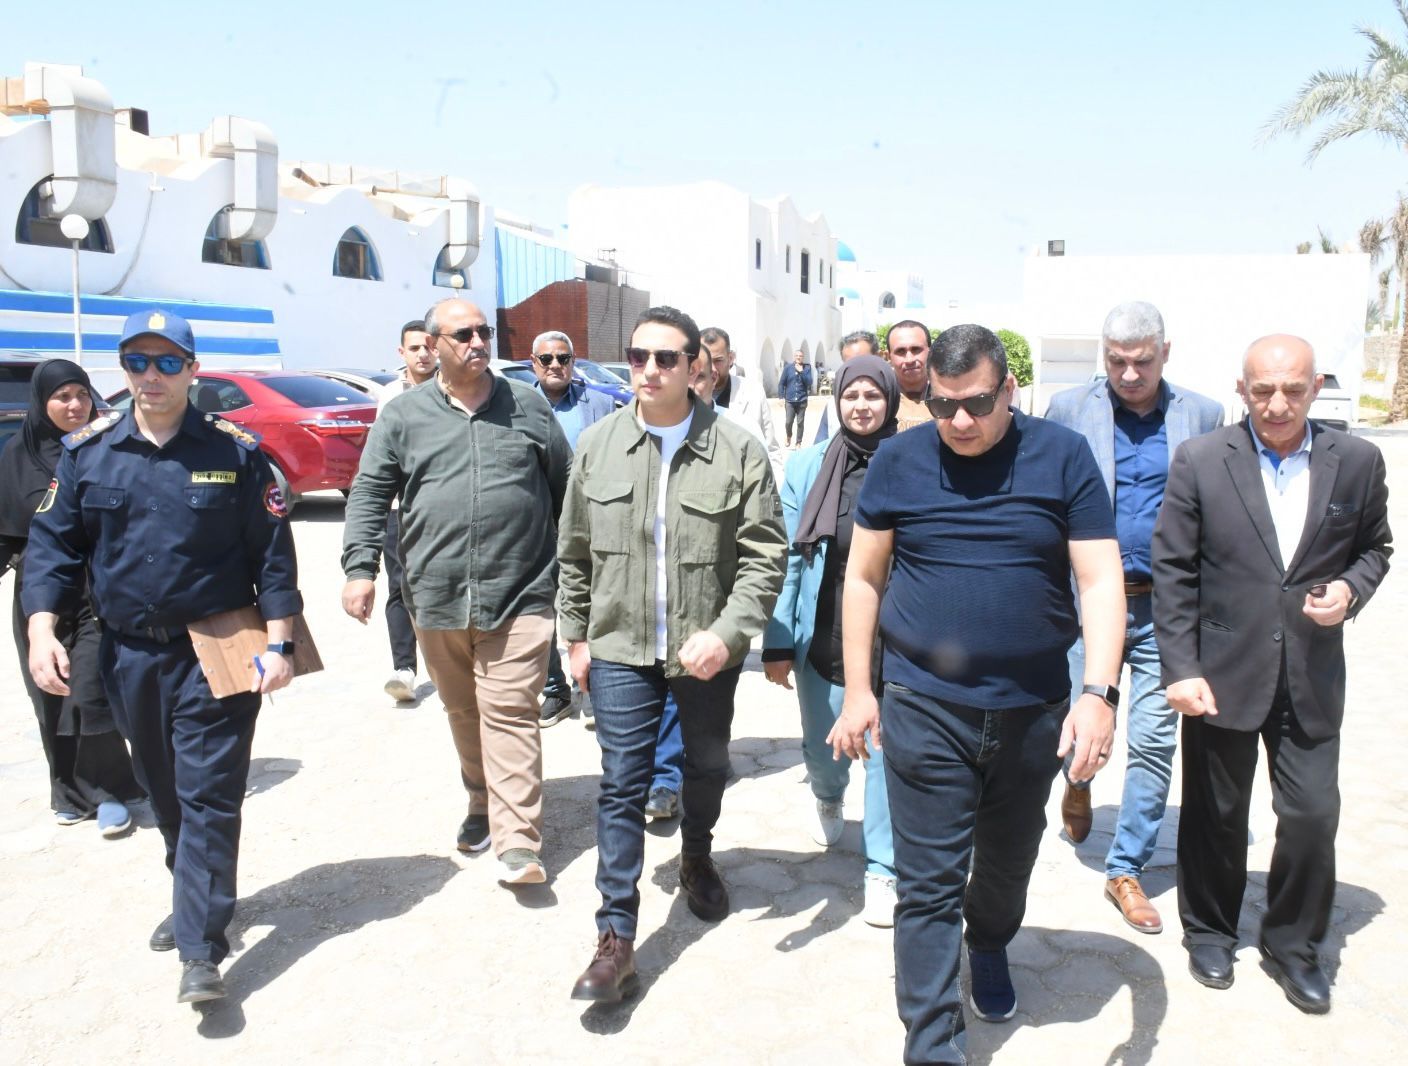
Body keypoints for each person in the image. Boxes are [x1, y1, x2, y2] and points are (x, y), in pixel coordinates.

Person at [832, 324, 1124, 1063]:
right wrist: (860, 690)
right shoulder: (899, 460)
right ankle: (933, 1040)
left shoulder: (1063, 456)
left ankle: (988, 942)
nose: (960, 421)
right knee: (927, 883)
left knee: (1005, 864)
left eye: (978, 403)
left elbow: (1099, 579)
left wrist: (1099, 693)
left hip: (1032, 708)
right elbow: (863, 577)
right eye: (942, 405)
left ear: (1009, 390)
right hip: (924, 705)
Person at [23, 310, 302, 1004]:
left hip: (216, 649)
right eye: (138, 362)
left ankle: (200, 949)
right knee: (163, 788)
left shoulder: (236, 452)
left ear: (192, 370)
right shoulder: (89, 453)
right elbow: (54, 548)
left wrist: (281, 643)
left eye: (168, 362)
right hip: (127, 656)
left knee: (208, 793)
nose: (152, 376)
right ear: (123, 370)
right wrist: (41, 627)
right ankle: (193, 894)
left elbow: (272, 555)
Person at [1152, 333, 1391, 1014]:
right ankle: (1210, 931)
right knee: (1216, 815)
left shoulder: (1357, 462)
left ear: (1317, 387)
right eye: (1262, 390)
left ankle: (1293, 946)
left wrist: (1350, 589)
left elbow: (1375, 548)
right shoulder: (1202, 460)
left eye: (1292, 389)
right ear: (1242, 389)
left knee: (1312, 815)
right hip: (1221, 672)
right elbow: (1173, 571)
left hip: (1311, 674)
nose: (1277, 404)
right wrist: (1181, 668)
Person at [559, 306, 786, 1003]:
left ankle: (696, 855)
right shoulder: (597, 445)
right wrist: (575, 636)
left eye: (665, 358)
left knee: (707, 766)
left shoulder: (738, 449)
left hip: (705, 651)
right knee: (621, 782)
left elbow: (764, 558)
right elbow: (573, 551)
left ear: (695, 367)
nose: (649, 370)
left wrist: (728, 633)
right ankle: (615, 937)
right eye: (638, 357)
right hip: (620, 645)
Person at [342, 299, 571, 887]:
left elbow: (565, 488)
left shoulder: (527, 405)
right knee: (464, 710)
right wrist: (360, 567)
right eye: (463, 334)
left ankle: (518, 842)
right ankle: (481, 800)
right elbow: (370, 491)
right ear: (434, 344)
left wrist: (575, 573)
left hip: (520, 591)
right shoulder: (404, 416)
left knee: (510, 713)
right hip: (436, 593)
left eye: (483, 331)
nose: (477, 342)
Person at [1044, 301, 1224, 934]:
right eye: (1116, 360)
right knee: (1078, 733)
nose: (1127, 374)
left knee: (1153, 742)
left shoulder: (1202, 415)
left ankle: (1125, 869)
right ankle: (1077, 783)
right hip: (1086, 608)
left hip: (1164, 610)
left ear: (1165, 353)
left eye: (1141, 362)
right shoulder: (1069, 410)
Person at [762, 354, 900, 927]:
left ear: (891, 399)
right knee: (825, 748)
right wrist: (777, 639)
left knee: (886, 756)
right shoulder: (808, 463)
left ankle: (883, 868)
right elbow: (789, 556)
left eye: (873, 395)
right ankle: (826, 793)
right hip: (823, 626)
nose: (861, 406)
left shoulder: (915, 458)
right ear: (836, 399)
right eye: (851, 396)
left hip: (894, 633)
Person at [0, 360, 141, 836]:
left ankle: (109, 791)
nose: (75, 405)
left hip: (98, 590)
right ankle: (68, 793)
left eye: (82, 394)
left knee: (90, 689)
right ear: (42, 403)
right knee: (50, 694)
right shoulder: (15, 458)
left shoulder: (107, 448)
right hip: (40, 595)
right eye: (62, 397)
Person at [528, 329, 615, 727]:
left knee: (591, 603)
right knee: (540, 609)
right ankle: (555, 690)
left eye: (563, 358)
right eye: (547, 359)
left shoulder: (599, 403)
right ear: (534, 363)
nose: (555, 366)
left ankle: (590, 686)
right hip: (535, 524)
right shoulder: (517, 404)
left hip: (589, 520)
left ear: (573, 362)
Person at [378, 319, 436, 702]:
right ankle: (404, 669)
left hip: (440, 510)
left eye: (428, 346)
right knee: (399, 586)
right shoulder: (389, 397)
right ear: (402, 352)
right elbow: (380, 458)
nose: (423, 354)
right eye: (414, 348)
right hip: (400, 510)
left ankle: (450, 669)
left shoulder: (451, 391)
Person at [701, 326, 786, 483]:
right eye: (706, 360)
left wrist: (778, 487)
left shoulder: (753, 392)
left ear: (731, 358)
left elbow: (770, 448)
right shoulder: (685, 395)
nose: (712, 368)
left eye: (718, 360)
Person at [814, 330, 880, 444]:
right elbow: (821, 447)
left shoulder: (896, 402)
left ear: (879, 358)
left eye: (862, 362)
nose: (856, 370)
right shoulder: (834, 406)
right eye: (849, 365)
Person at [883, 320, 933, 432]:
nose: (909, 360)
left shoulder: (948, 396)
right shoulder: (880, 399)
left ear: (930, 352)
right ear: (888, 356)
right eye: (900, 351)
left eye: (916, 350)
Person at [778, 348, 814, 448]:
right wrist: (781, 397)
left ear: (803, 357)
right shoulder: (788, 368)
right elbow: (781, 383)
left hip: (802, 400)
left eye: (800, 356)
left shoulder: (807, 368)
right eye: (797, 356)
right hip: (789, 400)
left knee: (800, 422)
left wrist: (802, 372)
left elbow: (809, 382)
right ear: (794, 357)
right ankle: (789, 436)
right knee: (788, 422)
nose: (798, 357)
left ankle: (798, 442)